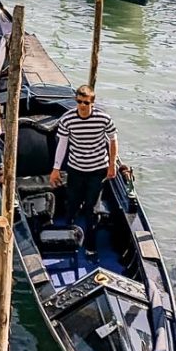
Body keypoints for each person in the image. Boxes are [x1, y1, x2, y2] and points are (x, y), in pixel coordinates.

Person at [48, 84, 118, 256]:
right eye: (79, 102)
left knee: (92, 208)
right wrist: (56, 169)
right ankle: (68, 234)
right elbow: (62, 144)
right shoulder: (67, 119)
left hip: (98, 169)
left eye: (86, 102)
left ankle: (91, 247)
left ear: (92, 103)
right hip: (76, 169)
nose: (82, 106)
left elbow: (113, 141)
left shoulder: (104, 119)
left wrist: (112, 164)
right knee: (72, 202)